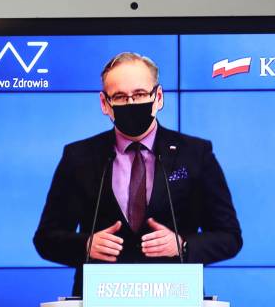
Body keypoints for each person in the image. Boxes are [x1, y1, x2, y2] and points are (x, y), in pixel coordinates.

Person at [33, 52, 242, 296]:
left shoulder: (195, 154)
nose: (131, 104)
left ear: (158, 97)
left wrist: (182, 245)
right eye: (120, 97)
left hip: (173, 295)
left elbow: (230, 237)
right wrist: (86, 245)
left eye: (140, 94)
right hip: (102, 296)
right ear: (105, 103)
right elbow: (46, 239)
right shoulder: (79, 157)